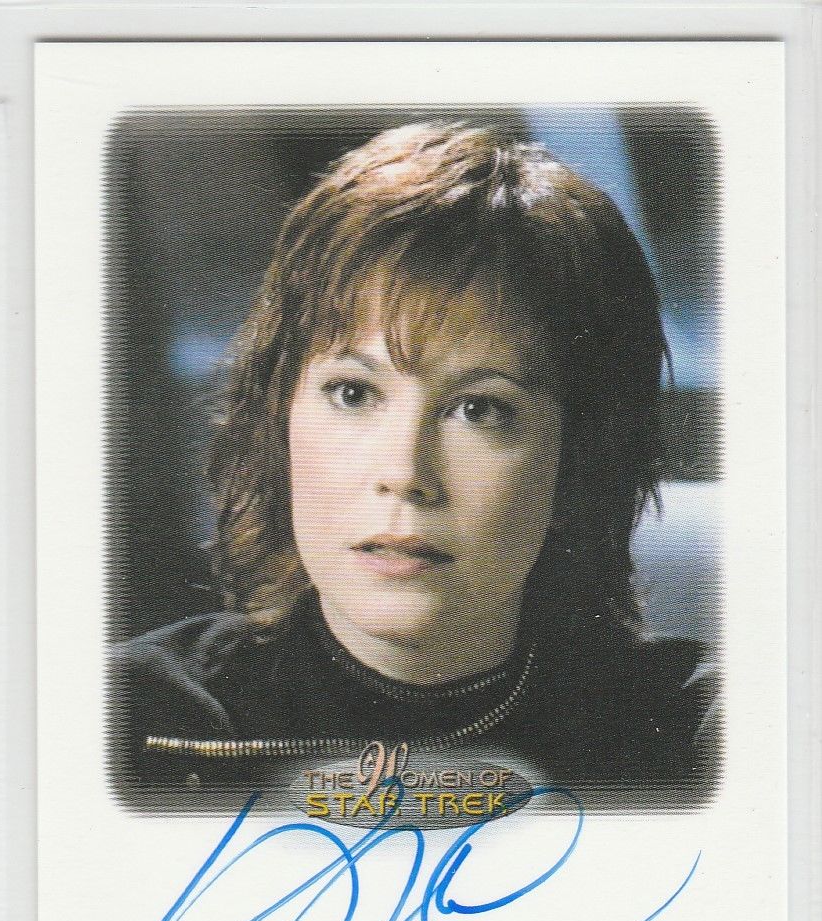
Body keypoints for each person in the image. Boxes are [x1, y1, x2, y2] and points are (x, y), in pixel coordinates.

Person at [110, 121, 720, 814]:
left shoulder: (701, 742)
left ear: (580, 453)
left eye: (480, 409)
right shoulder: (127, 723)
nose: (405, 473)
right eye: (353, 393)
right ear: (280, 418)